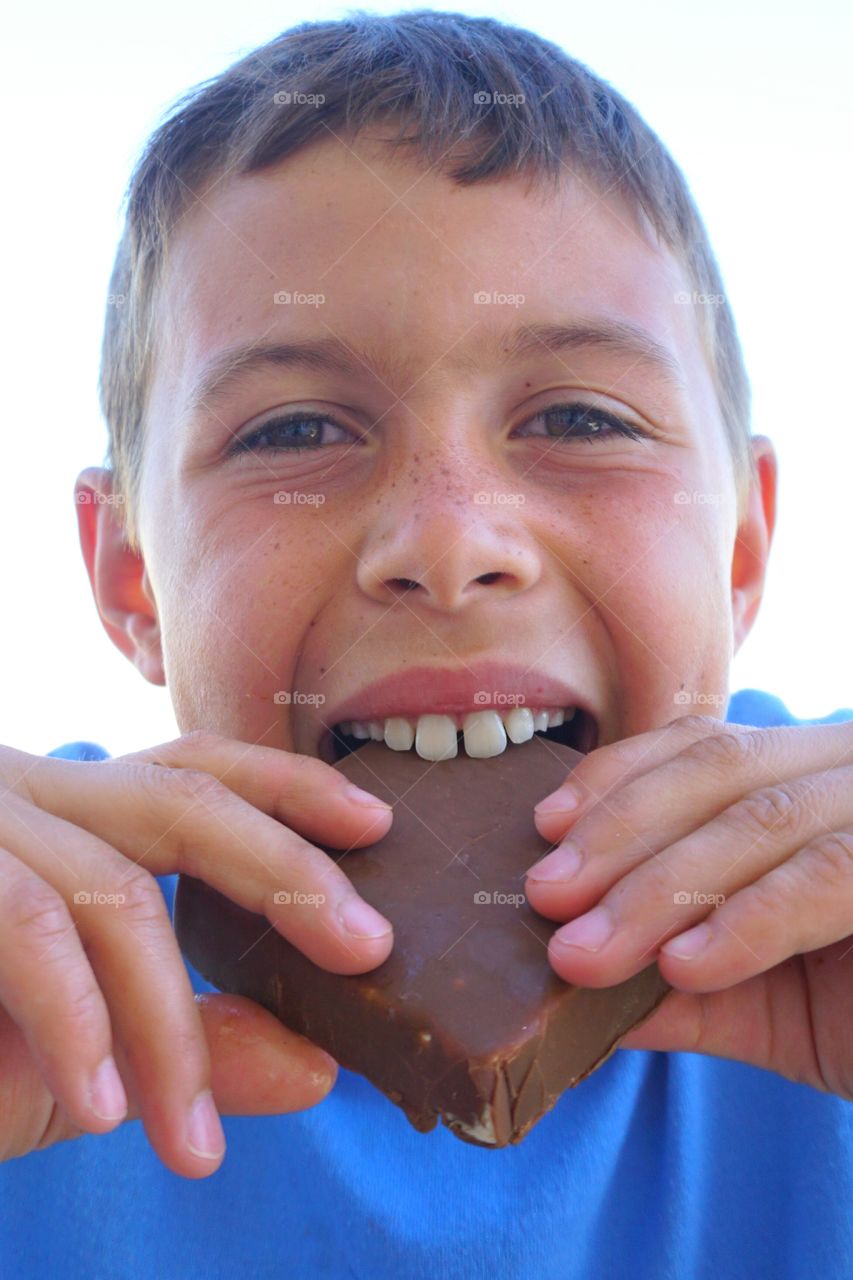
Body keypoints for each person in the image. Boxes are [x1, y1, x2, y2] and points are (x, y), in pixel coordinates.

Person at [1, 11, 851, 1277]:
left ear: (739, 551)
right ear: (131, 577)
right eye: (292, 432)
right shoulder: (31, 971)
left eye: (577, 414)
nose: (446, 544)